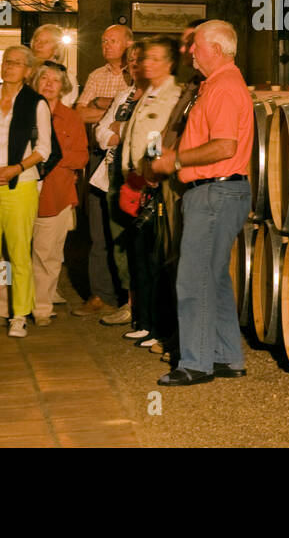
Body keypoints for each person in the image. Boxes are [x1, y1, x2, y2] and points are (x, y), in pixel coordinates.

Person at [150, 20, 254, 385]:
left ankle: (195, 363)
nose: (190, 51)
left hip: (214, 192)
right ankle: (227, 356)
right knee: (214, 278)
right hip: (218, 191)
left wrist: (176, 161)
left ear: (217, 49)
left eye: (196, 45)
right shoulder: (216, 85)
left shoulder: (224, 87)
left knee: (193, 279)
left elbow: (225, 146)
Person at [0, 45, 52, 339]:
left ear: (28, 71)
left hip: (20, 184)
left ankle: (18, 314)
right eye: (6, 61)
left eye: (17, 63)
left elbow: (44, 148)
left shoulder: (36, 103)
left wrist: (15, 168)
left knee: (19, 253)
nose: (10, 67)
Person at [116, 37, 183, 348]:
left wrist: (152, 170)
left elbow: (163, 136)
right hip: (135, 180)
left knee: (158, 256)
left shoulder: (173, 94)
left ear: (169, 64)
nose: (148, 64)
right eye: (146, 58)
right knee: (139, 256)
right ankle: (143, 321)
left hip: (154, 183)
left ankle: (159, 326)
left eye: (155, 59)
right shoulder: (147, 93)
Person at [70, 24, 133, 318]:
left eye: (113, 40)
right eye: (103, 40)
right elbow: (80, 114)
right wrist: (109, 109)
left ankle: (128, 296)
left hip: (126, 157)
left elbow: (134, 113)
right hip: (99, 155)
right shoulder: (97, 75)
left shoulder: (137, 73)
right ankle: (100, 294)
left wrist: (101, 106)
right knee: (97, 227)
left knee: (124, 228)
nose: (106, 45)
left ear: (129, 44)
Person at [94, 42, 147, 326]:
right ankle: (128, 302)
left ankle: (145, 307)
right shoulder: (124, 95)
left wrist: (121, 129)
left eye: (140, 60)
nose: (134, 66)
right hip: (114, 174)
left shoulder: (158, 97)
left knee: (143, 243)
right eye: (130, 61)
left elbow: (150, 135)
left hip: (141, 177)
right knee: (119, 242)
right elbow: (100, 130)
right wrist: (114, 133)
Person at [32, 61, 89, 326]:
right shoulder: (24, 111)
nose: (48, 83)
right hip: (21, 191)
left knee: (48, 256)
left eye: (55, 80)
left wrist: (53, 156)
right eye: (44, 77)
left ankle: (41, 307)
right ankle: (2, 304)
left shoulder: (71, 117)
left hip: (57, 194)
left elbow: (81, 157)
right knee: (7, 256)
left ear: (62, 87)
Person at [29, 23, 79, 107]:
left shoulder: (66, 77)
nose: (39, 45)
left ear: (56, 49)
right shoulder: (27, 73)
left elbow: (62, 110)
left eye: (46, 42)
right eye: (37, 40)